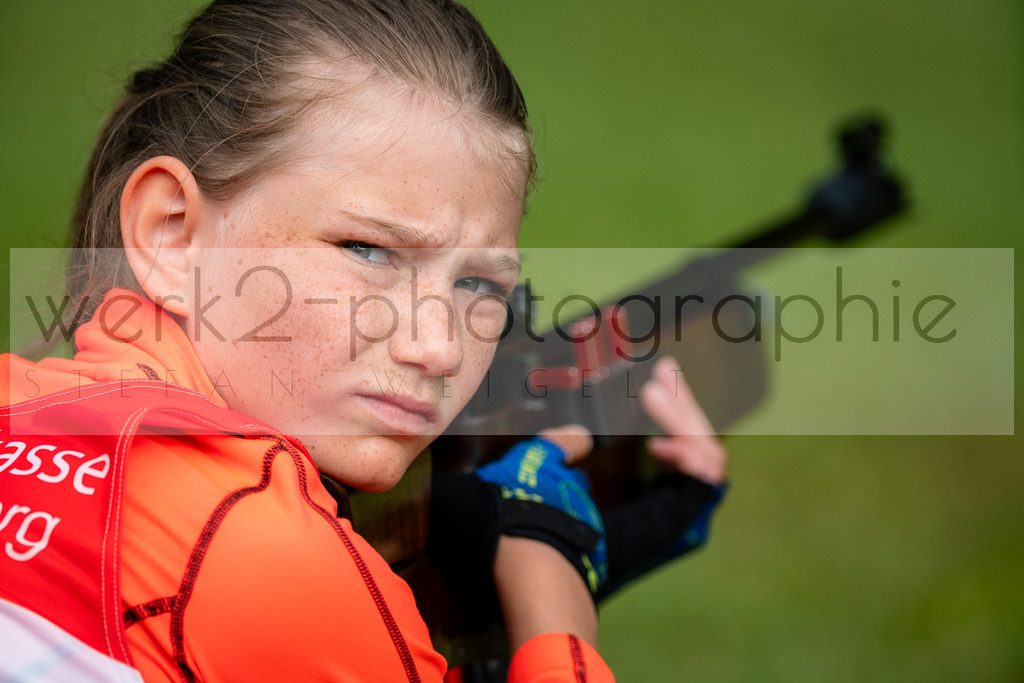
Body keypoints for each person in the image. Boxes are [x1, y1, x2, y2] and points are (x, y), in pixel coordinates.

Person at [0, 0, 726, 680]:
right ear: (172, 233)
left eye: (479, 286)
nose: (437, 348)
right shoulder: (268, 554)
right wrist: (551, 580)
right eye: (369, 250)